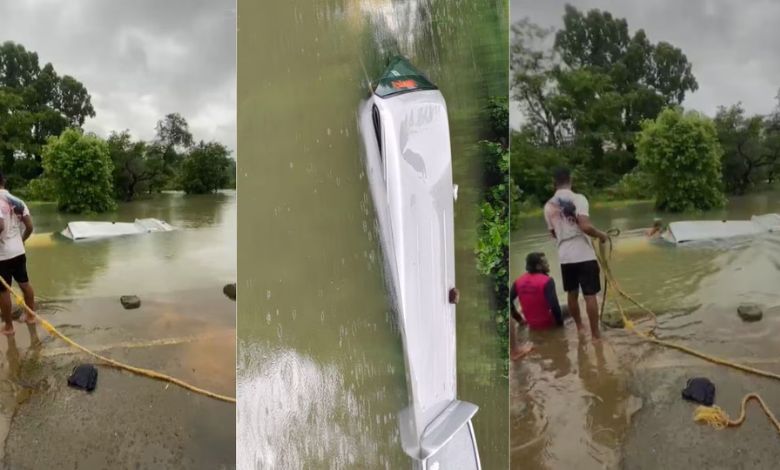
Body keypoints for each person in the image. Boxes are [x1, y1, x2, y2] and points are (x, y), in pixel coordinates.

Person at [543, 167, 608, 340]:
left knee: (572, 293)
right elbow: (585, 226)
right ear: (570, 180)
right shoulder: (579, 199)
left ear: (553, 183)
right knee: (590, 295)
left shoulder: (548, 206)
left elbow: (553, 234)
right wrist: (602, 235)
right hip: (583, 254)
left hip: (565, 256)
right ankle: (595, 335)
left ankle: (580, 327)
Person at [0, 172, 35, 336]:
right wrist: (21, 240)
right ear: (4, 181)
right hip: (18, 250)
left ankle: (9, 327)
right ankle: (30, 316)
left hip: (2, 255)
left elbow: (0, 225)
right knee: (24, 284)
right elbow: (29, 227)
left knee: (3, 291)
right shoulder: (18, 201)